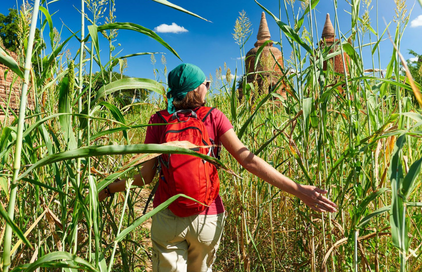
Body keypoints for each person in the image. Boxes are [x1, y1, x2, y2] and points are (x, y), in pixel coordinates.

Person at [98, 63, 337, 272]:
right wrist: (299, 189)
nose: (208, 87)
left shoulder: (159, 120)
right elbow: (248, 160)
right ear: (196, 89)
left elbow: (145, 176)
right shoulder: (214, 117)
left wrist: (108, 188)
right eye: (206, 83)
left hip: (168, 216)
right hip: (208, 217)